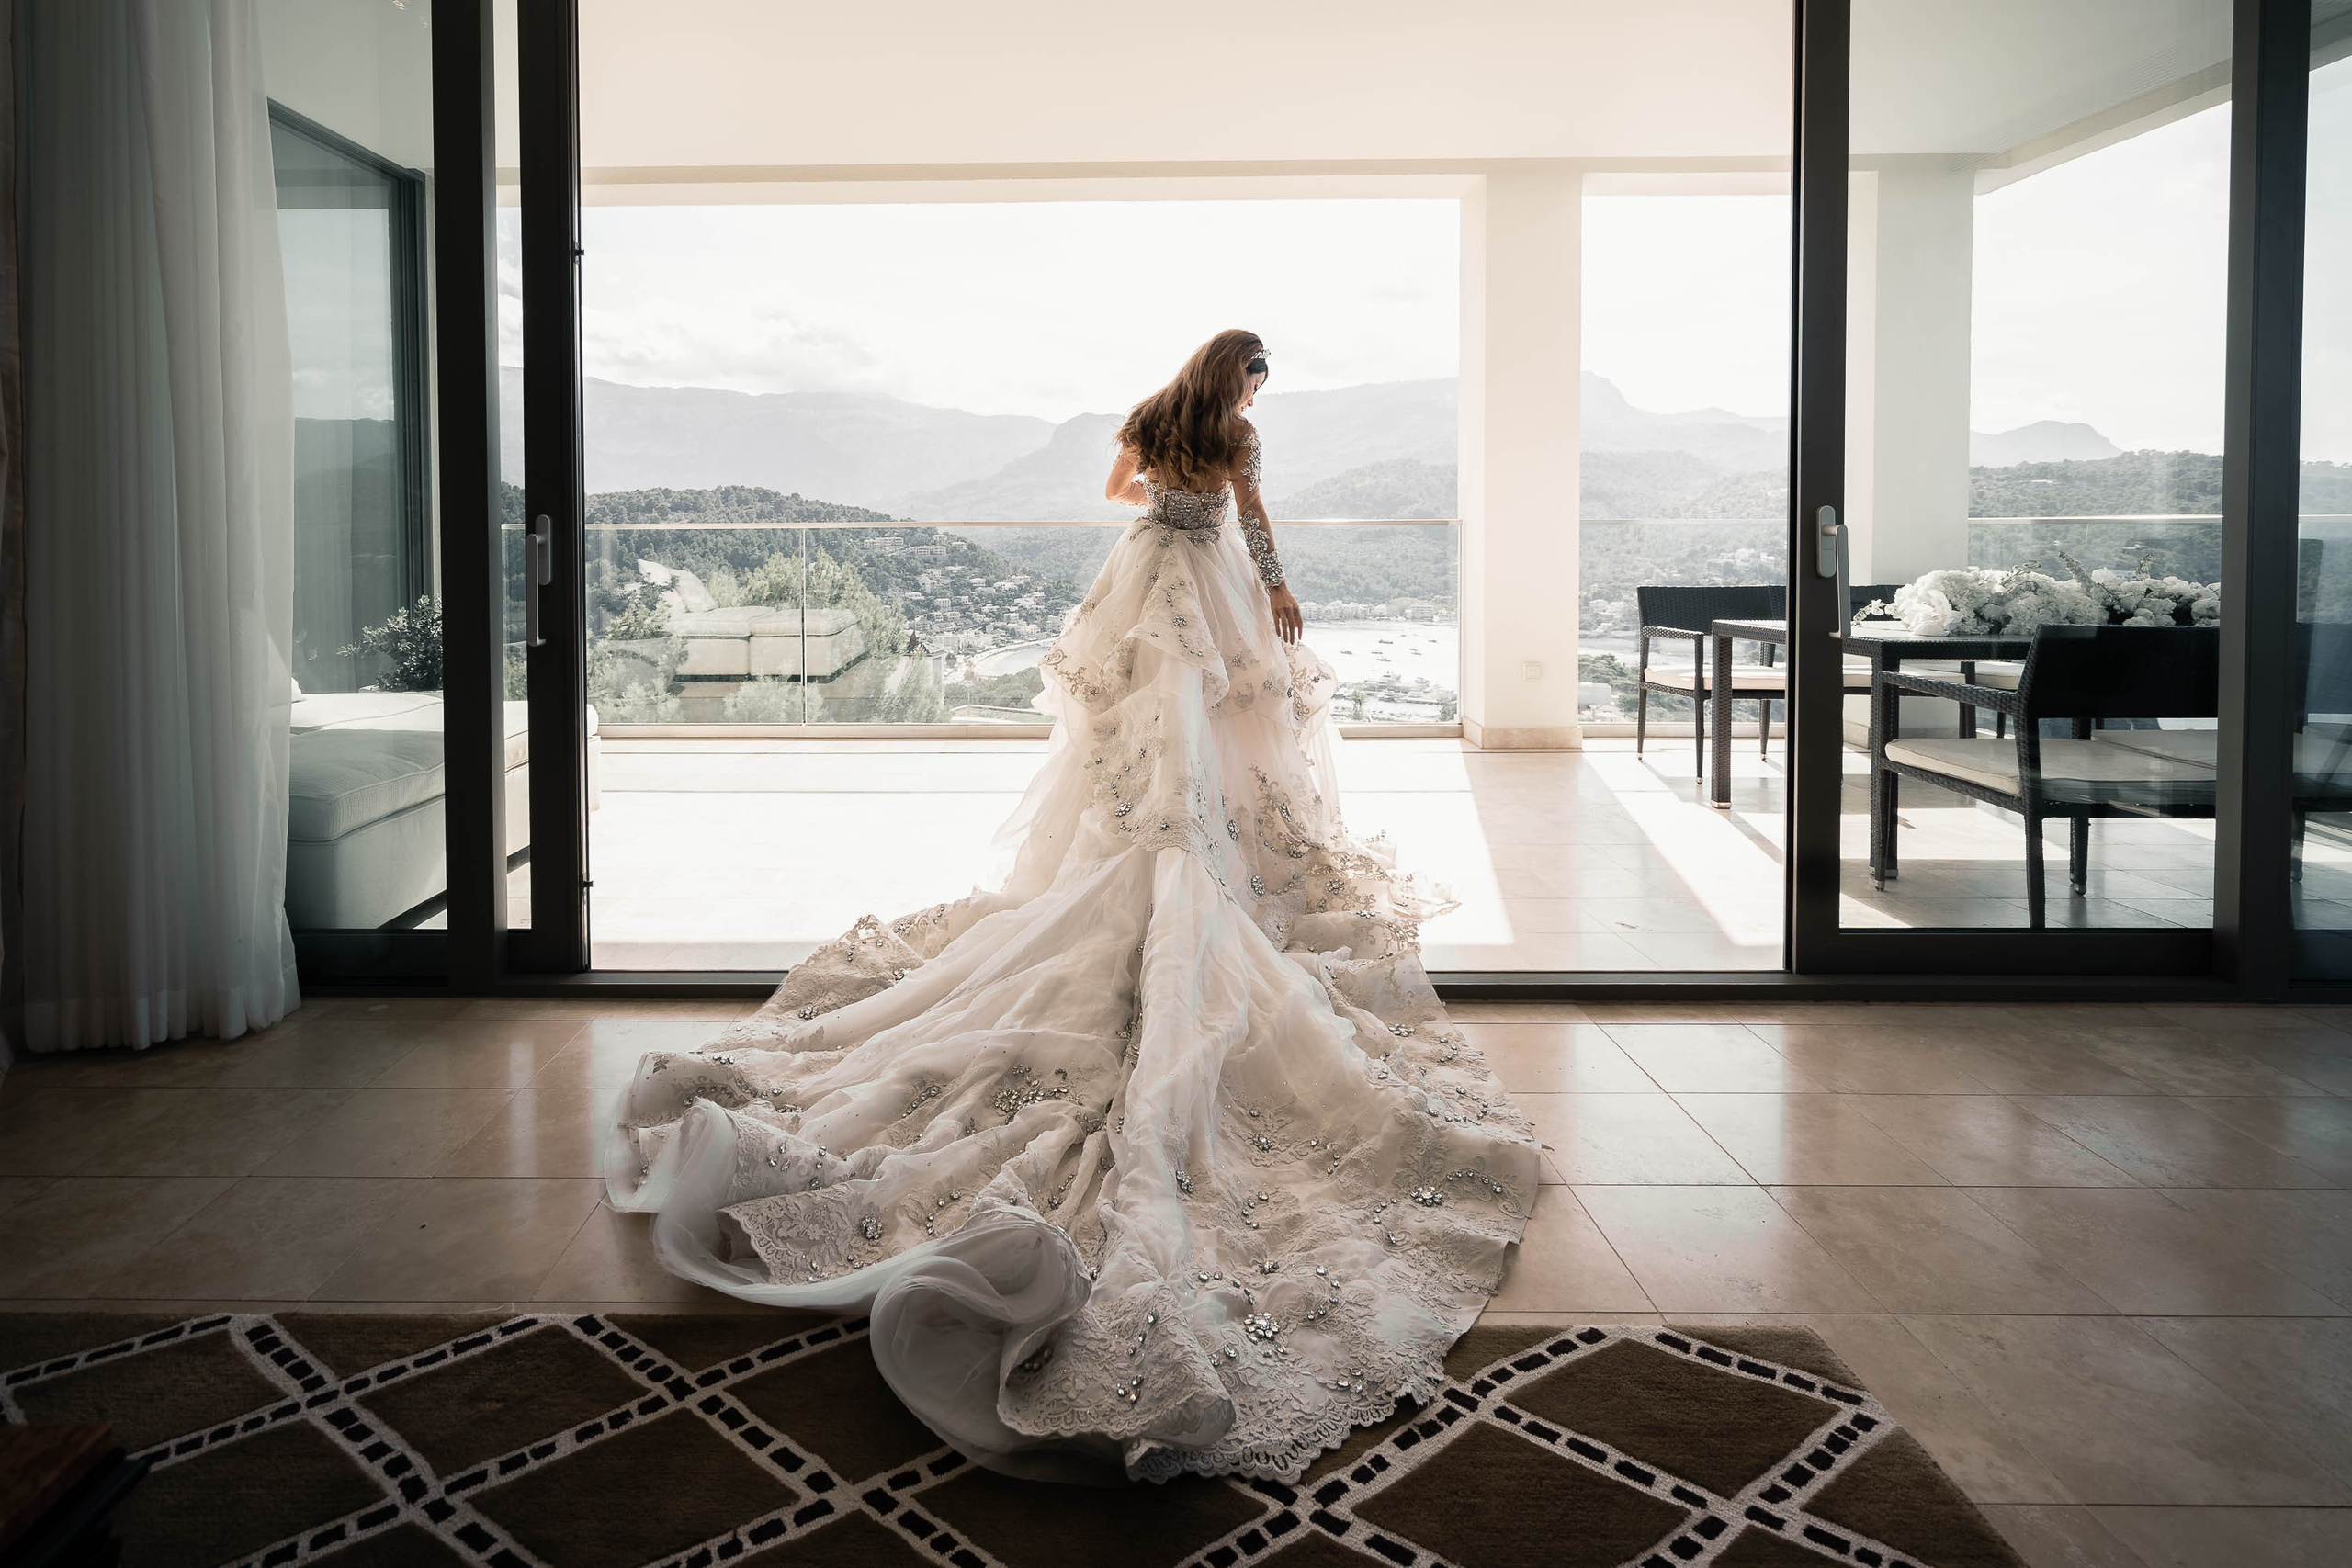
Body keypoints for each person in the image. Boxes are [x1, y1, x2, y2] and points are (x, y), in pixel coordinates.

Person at [605, 329, 1536, 1484]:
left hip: (1146, 582)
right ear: (1241, 380)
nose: (1256, 395)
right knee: (1227, 746)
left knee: (1148, 754)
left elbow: (1121, 493)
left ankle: (1165, 853)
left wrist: (1160, 501)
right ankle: (1203, 865)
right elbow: (1251, 524)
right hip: (1211, 592)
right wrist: (1277, 582)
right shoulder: (1238, 437)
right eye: (1258, 377)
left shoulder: (1151, 420)